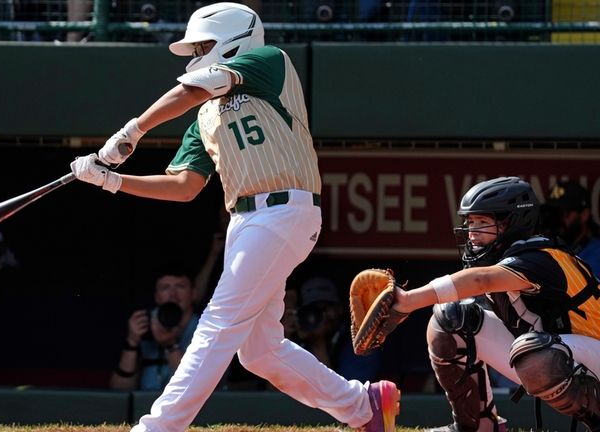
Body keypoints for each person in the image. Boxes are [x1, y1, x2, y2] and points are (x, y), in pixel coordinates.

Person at [70, 3, 400, 431]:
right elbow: (185, 185)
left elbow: (193, 88)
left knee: (217, 323)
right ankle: (364, 405)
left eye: (203, 46)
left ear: (233, 40)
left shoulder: (268, 62)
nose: (195, 57)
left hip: (284, 209)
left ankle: (156, 427)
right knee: (259, 350)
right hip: (245, 222)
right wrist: (111, 182)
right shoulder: (204, 115)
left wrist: (132, 131)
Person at [383, 176, 600, 432]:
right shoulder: (505, 258)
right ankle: (478, 425)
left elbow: (481, 280)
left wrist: (407, 300)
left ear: (511, 225)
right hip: (564, 355)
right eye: (470, 222)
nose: (472, 232)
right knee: (451, 318)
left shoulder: (539, 257)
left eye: (483, 223)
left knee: (534, 350)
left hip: (591, 351)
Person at [109, 268, 199, 391]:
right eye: (165, 288)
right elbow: (119, 391)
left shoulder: (207, 328)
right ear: (157, 297)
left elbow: (199, 388)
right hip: (145, 406)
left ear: (193, 294)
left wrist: (171, 346)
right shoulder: (144, 324)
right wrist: (132, 342)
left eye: (180, 286)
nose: (172, 294)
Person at [542, 180, 600, 277]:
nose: (557, 219)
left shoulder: (597, 254)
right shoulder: (546, 249)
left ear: (584, 215)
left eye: (564, 213)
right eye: (553, 213)